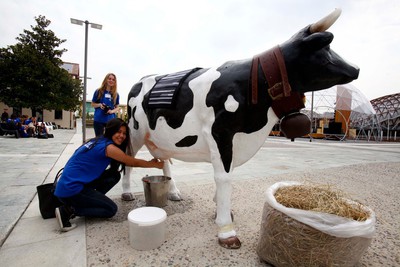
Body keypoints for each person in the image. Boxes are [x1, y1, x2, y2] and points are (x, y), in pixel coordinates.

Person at [54, 118, 164, 232]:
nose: (121, 135)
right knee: (110, 209)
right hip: (71, 190)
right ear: (110, 131)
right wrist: (153, 164)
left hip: (67, 186)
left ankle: (88, 202)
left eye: (124, 133)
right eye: (118, 132)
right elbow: (131, 161)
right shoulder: (108, 147)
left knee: (114, 175)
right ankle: (68, 210)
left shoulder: (96, 141)